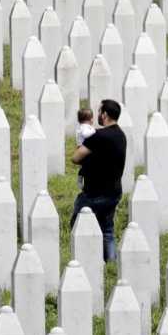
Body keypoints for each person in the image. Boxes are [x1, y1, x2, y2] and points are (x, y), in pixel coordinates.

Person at [69, 99, 127, 262]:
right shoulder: (121, 135)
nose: (98, 115)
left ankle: (84, 259)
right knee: (107, 230)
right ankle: (110, 263)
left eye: (100, 112)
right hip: (114, 192)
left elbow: (76, 157)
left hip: (95, 193)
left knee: (78, 224)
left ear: (105, 115)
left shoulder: (98, 136)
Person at [74, 107, 95, 189]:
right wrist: (95, 131)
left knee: (85, 166)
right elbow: (86, 134)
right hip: (83, 150)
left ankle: (81, 178)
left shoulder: (81, 126)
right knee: (85, 166)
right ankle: (80, 180)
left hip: (82, 149)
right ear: (89, 119)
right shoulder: (84, 127)